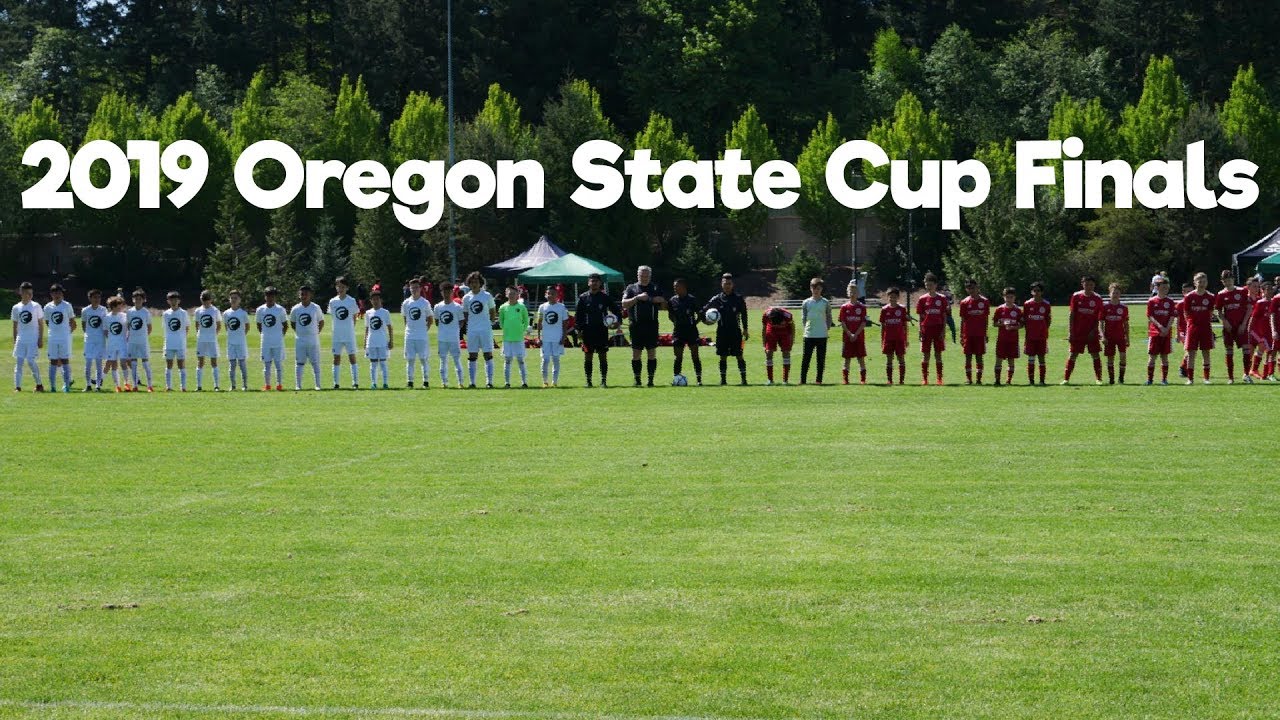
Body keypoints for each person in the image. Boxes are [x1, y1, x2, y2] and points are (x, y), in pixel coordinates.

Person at [621, 265, 666, 387]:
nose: (644, 278)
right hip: (636, 326)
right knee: (636, 354)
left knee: (651, 353)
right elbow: (624, 304)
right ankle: (637, 379)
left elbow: (662, 300)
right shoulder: (631, 288)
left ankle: (651, 380)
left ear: (650, 276)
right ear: (638, 275)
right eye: (642, 275)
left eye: (647, 276)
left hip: (651, 325)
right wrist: (637, 298)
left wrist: (649, 299)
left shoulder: (655, 287)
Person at [704, 273, 749, 385]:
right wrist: (704, 321)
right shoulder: (717, 299)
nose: (727, 286)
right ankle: (723, 380)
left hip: (735, 331)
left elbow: (744, 314)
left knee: (739, 355)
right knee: (722, 356)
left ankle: (744, 380)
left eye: (729, 284)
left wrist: (745, 328)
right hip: (722, 331)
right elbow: (704, 309)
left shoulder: (738, 298)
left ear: (732, 284)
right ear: (721, 284)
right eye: (725, 283)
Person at [575, 272, 618, 387]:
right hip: (587, 332)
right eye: (592, 281)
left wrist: (616, 323)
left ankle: (603, 381)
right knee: (588, 356)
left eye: (596, 281)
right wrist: (579, 330)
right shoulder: (583, 298)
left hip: (602, 331)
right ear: (588, 283)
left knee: (602, 356)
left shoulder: (605, 297)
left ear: (600, 283)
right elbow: (578, 316)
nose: (594, 283)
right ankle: (588, 381)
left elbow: (616, 310)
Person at [1062, 275, 1104, 385]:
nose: (1089, 286)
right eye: (1086, 284)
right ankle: (1066, 379)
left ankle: (1098, 379)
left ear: (1094, 285)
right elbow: (1072, 314)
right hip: (1077, 332)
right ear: (1082, 284)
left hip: (1092, 333)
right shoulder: (1076, 296)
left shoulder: (1098, 298)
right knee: (1073, 354)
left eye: (1091, 284)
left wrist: (1094, 331)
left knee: (1095, 354)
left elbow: (1099, 318)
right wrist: (1070, 332)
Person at [461, 271, 498, 388]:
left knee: (488, 355)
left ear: (480, 283)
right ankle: (472, 383)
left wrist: (488, 324)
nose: (474, 284)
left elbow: (493, 312)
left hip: (485, 330)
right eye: (471, 282)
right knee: (472, 356)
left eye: (476, 282)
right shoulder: (466, 298)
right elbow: (465, 314)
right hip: (472, 330)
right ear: (469, 284)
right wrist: (470, 325)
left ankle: (489, 382)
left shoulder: (487, 296)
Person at [1215, 269, 1253, 384]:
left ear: (1233, 279)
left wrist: (1244, 324)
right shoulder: (1221, 294)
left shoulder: (1242, 291)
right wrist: (1224, 322)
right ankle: (1230, 377)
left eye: (1230, 279)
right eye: (1225, 280)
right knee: (1229, 351)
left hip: (1241, 326)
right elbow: (1218, 310)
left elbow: (1249, 308)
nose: (1228, 282)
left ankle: (1246, 374)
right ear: (1222, 281)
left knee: (1246, 350)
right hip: (1229, 328)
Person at [915, 273, 949, 385]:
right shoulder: (922, 299)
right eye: (926, 285)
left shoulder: (942, 299)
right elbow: (921, 317)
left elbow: (944, 316)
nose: (928, 287)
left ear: (935, 285)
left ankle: (939, 378)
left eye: (930, 284)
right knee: (925, 354)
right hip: (926, 329)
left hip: (938, 329)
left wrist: (943, 331)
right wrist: (920, 330)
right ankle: (925, 378)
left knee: (938, 354)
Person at [667, 278, 703, 385]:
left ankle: (699, 380)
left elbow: (700, 314)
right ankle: (676, 379)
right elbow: (670, 315)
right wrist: (676, 323)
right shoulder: (672, 300)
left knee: (695, 355)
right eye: (674, 287)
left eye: (677, 286)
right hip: (678, 331)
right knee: (678, 357)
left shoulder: (692, 299)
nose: (675, 288)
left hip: (691, 331)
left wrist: (694, 323)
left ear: (683, 287)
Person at [1182, 272, 1215, 384]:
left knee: (1206, 352)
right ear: (1195, 283)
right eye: (1199, 281)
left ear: (1207, 283)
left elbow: (1210, 313)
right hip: (1193, 328)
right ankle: (1190, 379)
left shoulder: (1210, 297)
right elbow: (1186, 313)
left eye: (1204, 281)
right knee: (1191, 353)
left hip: (1205, 327)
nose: (1201, 283)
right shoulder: (1189, 297)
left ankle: (1206, 378)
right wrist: (1191, 324)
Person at [11, 281, 44, 392]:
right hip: (21, 338)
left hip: (32, 338)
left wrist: (40, 338)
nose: (29, 295)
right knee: (19, 362)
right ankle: (17, 387)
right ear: (21, 293)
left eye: (31, 293)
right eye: (26, 293)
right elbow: (15, 325)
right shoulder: (16, 307)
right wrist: (15, 339)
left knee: (30, 361)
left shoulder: (36, 306)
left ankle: (39, 385)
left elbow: (40, 323)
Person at [329, 276, 361, 390]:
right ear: (336, 287)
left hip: (349, 335)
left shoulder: (351, 301)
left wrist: (350, 328)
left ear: (347, 288)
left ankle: (355, 382)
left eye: (342, 287)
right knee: (336, 358)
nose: (340, 288)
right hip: (337, 335)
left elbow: (354, 316)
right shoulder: (333, 301)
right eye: (338, 286)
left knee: (352, 358)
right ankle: (336, 383)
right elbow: (332, 316)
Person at [290, 285, 325, 391]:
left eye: (306, 294)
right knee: (299, 363)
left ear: (310, 295)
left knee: (315, 362)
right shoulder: (295, 309)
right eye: (302, 294)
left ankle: (318, 385)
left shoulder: (315, 307)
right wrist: (300, 333)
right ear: (299, 295)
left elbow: (321, 321)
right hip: (300, 340)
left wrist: (316, 332)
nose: (304, 296)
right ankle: (298, 385)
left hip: (313, 339)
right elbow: (293, 323)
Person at [44, 283, 76, 392]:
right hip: (52, 338)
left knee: (65, 360)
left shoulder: (67, 305)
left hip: (64, 338)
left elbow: (73, 322)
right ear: (51, 294)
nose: (57, 295)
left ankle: (67, 386)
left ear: (62, 294)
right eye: (55, 293)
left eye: (59, 293)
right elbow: (48, 322)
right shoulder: (48, 307)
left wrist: (66, 333)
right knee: (53, 361)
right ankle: (53, 387)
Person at [401, 277, 433, 389]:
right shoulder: (406, 303)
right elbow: (405, 319)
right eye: (412, 288)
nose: (414, 290)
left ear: (420, 288)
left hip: (422, 336)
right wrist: (409, 330)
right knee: (410, 359)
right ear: (409, 289)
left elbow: (430, 319)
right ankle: (410, 381)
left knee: (424, 359)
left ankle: (426, 381)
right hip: (409, 336)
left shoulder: (425, 302)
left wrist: (424, 330)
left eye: (416, 287)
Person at [433, 281, 465, 388]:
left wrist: (453, 330)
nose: (447, 294)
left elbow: (461, 322)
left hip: (454, 339)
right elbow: (437, 322)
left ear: (452, 292)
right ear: (441, 293)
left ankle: (460, 382)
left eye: (449, 291)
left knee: (456, 360)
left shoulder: (457, 307)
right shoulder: (438, 307)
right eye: (444, 292)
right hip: (442, 338)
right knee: (443, 361)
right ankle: (444, 382)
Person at [800, 278, 832, 384]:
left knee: (820, 359)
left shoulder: (825, 302)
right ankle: (803, 380)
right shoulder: (806, 302)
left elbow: (829, 316)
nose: (815, 290)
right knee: (806, 359)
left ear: (821, 289)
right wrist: (806, 328)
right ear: (810, 288)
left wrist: (826, 328)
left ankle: (819, 380)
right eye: (813, 288)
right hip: (809, 335)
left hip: (822, 335)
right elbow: (804, 318)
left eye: (818, 288)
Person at [256, 286, 288, 391]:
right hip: (265, 341)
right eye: (268, 295)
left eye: (272, 296)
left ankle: (279, 385)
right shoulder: (260, 310)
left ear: (275, 297)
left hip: (278, 341)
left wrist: (279, 335)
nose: (270, 298)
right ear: (265, 296)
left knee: (278, 364)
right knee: (267, 365)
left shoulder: (280, 309)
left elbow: (285, 325)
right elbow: (259, 325)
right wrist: (265, 334)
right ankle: (267, 385)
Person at [958, 279, 990, 384]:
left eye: (972, 287)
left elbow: (986, 319)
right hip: (968, 334)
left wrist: (986, 333)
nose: (971, 290)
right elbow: (962, 320)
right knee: (968, 356)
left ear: (977, 287)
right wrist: (961, 335)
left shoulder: (984, 301)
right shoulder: (964, 302)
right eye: (968, 288)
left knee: (979, 356)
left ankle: (979, 379)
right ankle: (969, 379)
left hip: (980, 334)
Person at [1145, 278, 1176, 384]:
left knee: (1165, 357)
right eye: (1163, 288)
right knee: (1152, 357)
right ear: (1157, 288)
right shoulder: (1152, 301)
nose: (1165, 290)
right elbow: (1150, 316)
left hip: (1166, 333)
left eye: (1167, 288)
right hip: (1154, 332)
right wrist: (1160, 327)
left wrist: (1166, 328)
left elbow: (1172, 316)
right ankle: (1150, 380)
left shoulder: (1170, 302)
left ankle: (1164, 379)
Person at [499, 286, 531, 388]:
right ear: (506, 294)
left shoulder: (522, 307)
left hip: (519, 339)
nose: (512, 295)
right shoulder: (503, 307)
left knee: (520, 360)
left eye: (514, 293)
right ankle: (507, 382)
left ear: (518, 295)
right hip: (507, 339)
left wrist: (522, 330)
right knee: (507, 360)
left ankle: (524, 382)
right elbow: (501, 322)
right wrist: (507, 330)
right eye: (510, 293)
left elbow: (526, 321)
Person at [536, 286, 568, 387]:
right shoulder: (542, 307)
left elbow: (565, 324)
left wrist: (563, 337)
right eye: (548, 293)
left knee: (556, 359)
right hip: (545, 338)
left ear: (557, 295)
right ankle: (545, 381)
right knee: (545, 360)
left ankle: (554, 382)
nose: (550, 295)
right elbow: (539, 323)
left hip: (557, 338)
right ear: (546, 294)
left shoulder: (561, 307)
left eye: (552, 293)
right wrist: (538, 337)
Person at [838, 281, 868, 385]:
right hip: (847, 338)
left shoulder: (862, 307)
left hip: (859, 338)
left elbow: (863, 323)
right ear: (847, 293)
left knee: (861, 359)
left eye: (854, 291)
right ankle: (845, 380)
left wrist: (855, 334)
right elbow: (842, 322)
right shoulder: (844, 307)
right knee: (847, 359)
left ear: (858, 293)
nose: (852, 293)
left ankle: (863, 380)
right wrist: (849, 334)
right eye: (850, 291)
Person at [1022, 281, 1051, 385]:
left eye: (1038, 291)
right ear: (1031, 292)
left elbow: (1048, 320)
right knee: (1031, 358)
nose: (1036, 293)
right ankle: (1031, 381)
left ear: (1042, 292)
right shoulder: (1027, 304)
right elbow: (1024, 320)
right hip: (1030, 336)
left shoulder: (1046, 304)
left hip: (1042, 336)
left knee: (1041, 358)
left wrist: (1043, 329)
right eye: (1034, 291)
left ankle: (1042, 381)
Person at [193, 290, 222, 392]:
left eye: (207, 299)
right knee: (200, 362)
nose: (205, 301)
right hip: (201, 340)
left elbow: (219, 325)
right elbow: (197, 325)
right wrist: (200, 334)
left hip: (212, 340)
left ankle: (216, 385)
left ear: (211, 299)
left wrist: (214, 335)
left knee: (214, 362)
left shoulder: (215, 310)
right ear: (201, 299)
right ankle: (199, 386)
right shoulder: (198, 311)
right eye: (203, 299)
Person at [992, 287, 1022, 386]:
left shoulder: (1018, 310)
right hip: (1001, 339)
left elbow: (1021, 325)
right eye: (1007, 297)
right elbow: (994, 323)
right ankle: (997, 380)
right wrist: (1002, 324)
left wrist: (1013, 327)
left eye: (1011, 297)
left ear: (1014, 298)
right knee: (999, 359)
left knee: (1011, 360)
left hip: (1013, 340)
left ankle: (1008, 381)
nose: (1009, 299)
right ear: (1004, 297)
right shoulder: (999, 309)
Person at [1101, 283, 1130, 385]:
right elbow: (1100, 323)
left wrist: (1128, 337)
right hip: (1109, 337)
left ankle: (1121, 379)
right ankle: (1111, 379)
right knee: (1110, 358)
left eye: (1117, 293)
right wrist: (1102, 336)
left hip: (1121, 337)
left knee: (1123, 356)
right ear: (1109, 294)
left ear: (1120, 294)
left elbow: (1126, 324)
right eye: (1113, 293)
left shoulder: (1124, 308)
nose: (1115, 294)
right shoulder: (1104, 307)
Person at [161, 291, 190, 392]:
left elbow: (187, 327)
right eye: (171, 300)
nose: (173, 302)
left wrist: (182, 338)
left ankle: (183, 387)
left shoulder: (183, 313)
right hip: (169, 343)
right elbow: (165, 328)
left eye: (175, 299)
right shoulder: (165, 314)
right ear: (168, 301)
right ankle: (168, 386)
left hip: (180, 343)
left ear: (179, 300)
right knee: (169, 365)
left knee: (181, 365)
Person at [879, 287, 908, 385]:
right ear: (888, 297)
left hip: (899, 339)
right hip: (888, 339)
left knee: (901, 359)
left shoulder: (902, 309)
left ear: (898, 297)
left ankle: (901, 380)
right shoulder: (884, 310)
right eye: (891, 297)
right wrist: (882, 340)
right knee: (889, 359)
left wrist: (906, 339)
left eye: (894, 297)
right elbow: (882, 327)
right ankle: (889, 380)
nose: (892, 299)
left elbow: (905, 326)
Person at [364, 289, 392, 390]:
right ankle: (373, 383)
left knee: (383, 363)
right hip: (371, 342)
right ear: (371, 301)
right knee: (373, 364)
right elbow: (367, 328)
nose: (375, 301)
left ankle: (385, 383)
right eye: (373, 299)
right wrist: (365, 341)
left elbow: (389, 327)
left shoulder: (385, 312)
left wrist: (391, 340)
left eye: (377, 299)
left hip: (382, 341)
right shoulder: (368, 313)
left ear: (381, 300)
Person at [126, 289, 154, 392]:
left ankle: (149, 386)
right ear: (133, 300)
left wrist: (143, 336)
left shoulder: (146, 312)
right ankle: (135, 385)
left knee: (145, 363)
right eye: (135, 299)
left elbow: (149, 328)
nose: (137, 300)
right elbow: (128, 326)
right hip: (132, 341)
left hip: (143, 341)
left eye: (139, 299)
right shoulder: (129, 312)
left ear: (143, 300)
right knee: (133, 364)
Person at [81, 289, 108, 392]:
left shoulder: (103, 310)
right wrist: (89, 334)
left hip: (100, 340)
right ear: (90, 298)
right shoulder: (85, 310)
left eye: (98, 297)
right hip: (89, 340)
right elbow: (84, 325)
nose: (97, 299)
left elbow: (105, 324)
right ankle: (88, 385)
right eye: (95, 297)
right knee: (88, 363)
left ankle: (97, 386)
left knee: (98, 363)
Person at [223, 290, 250, 391]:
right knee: (232, 365)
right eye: (232, 298)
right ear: (229, 299)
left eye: (236, 298)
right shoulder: (226, 313)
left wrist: (241, 335)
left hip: (241, 343)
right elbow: (226, 327)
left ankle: (244, 385)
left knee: (242, 365)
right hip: (230, 343)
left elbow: (247, 327)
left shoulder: (243, 313)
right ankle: (233, 386)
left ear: (239, 300)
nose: (233, 300)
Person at [761, 304, 794, 385]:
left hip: (785, 332)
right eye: (774, 323)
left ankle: (785, 380)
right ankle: (770, 380)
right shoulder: (766, 314)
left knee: (786, 353)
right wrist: (764, 344)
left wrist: (791, 342)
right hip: (771, 331)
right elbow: (764, 329)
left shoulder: (788, 315)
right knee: (768, 353)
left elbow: (792, 328)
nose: (776, 324)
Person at [1248, 280, 1274, 380]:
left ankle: (1256, 370)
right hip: (1256, 331)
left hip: (1265, 331)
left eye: (1271, 289)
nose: (1270, 291)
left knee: (1264, 349)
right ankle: (1249, 371)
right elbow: (1253, 317)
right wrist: (1249, 329)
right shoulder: (1260, 303)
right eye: (1268, 289)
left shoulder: (1273, 302)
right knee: (1253, 350)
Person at [104, 295, 129, 391]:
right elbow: (106, 332)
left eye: (121, 305)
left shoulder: (125, 316)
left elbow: (128, 329)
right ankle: (117, 385)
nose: (121, 307)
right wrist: (112, 339)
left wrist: (125, 338)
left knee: (123, 363)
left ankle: (126, 383)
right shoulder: (107, 318)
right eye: (119, 305)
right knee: (114, 365)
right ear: (113, 306)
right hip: (112, 345)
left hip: (123, 344)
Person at [1174, 281, 1193, 378]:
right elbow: (1177, 320)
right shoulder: (1180, 304)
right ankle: (1182, 368)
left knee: (1192, 351)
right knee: (1189, 350)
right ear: (1183, 292)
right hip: (1183, 331)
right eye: (1187, 291)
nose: (1189, 293)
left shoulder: (1194, 303)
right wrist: (1177, 334)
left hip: (1193, 330)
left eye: (1191, 291)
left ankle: (1185, 368)